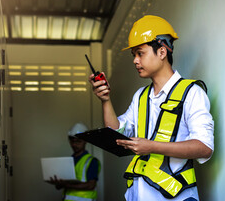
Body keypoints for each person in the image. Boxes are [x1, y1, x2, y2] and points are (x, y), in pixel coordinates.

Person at [89, 15, 214, 201]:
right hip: (137, 194)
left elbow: (204, 148)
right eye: (134, 55)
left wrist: (151, 147)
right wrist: (105, 100)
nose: (135, 61)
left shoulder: (192, 93)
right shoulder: (140, 96)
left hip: (176, 197)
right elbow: (116, 132)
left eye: (140, 53)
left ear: (162, 52)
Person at [47, 123, 101, 201]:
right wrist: (58, 183)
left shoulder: (91, 161)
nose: (74, 144)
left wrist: (66, 184)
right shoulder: (68, 161)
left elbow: (90, 185)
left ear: (85, 141)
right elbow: (59, 187)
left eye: (78, 141)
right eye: (72, 141)